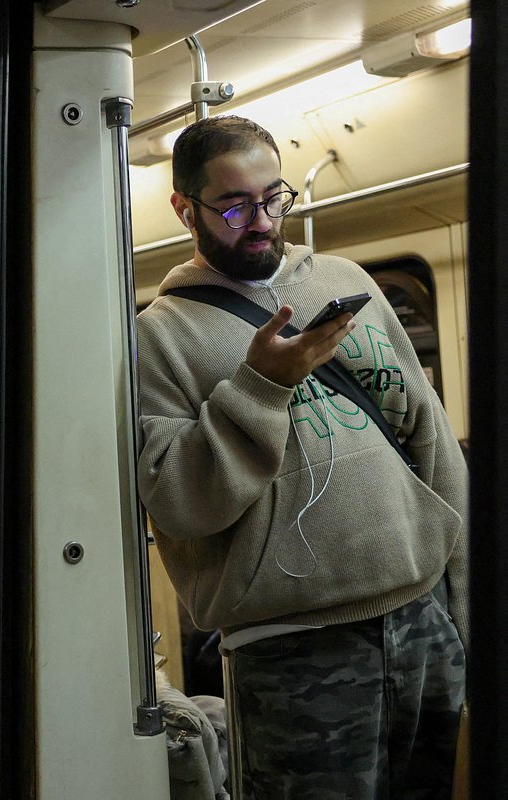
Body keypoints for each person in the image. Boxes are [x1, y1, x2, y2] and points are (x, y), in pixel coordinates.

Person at [135, 115, 468, 799]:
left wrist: (468, 611)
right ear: (184, 209)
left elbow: (429, 442)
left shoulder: (346, 281)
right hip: (293, 649)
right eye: (233, 205)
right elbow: (179, 503)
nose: (258, 220)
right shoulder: (158, 338)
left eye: (271, 198)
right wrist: (260, 384)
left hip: (420, 618)